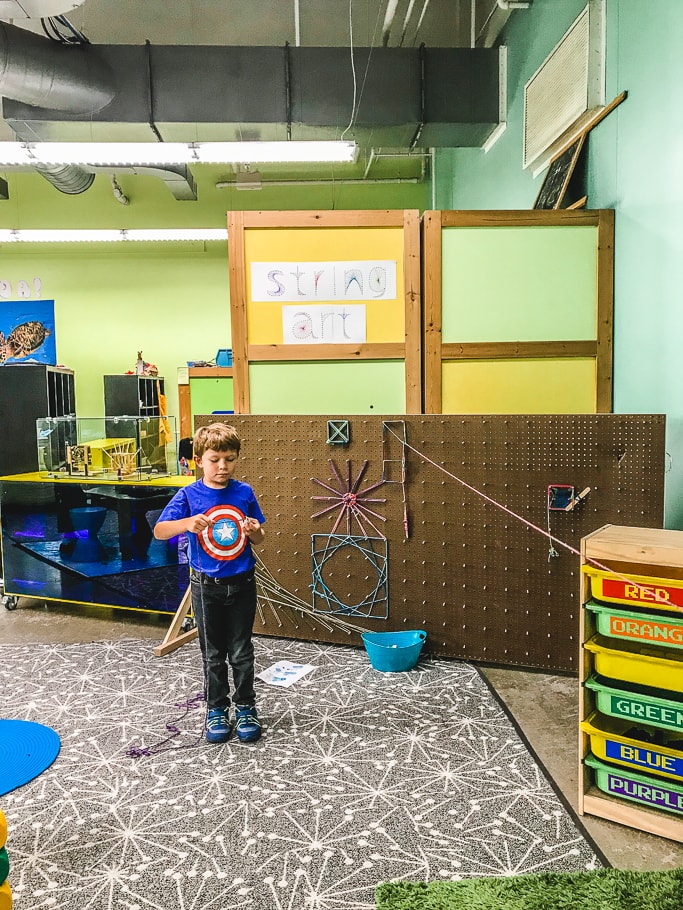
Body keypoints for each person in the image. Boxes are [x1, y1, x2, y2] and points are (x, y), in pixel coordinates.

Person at [154, 423, 265, 745]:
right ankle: (216, 709)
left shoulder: (243, 492)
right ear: (198, 459)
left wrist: (253, 530)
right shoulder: (188, 495)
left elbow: (260, 537)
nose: (222, 467)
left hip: (242, 582)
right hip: (205, 586)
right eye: (215, 459)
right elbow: (160, 531)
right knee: (213, 654)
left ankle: (245, 706)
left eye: (230, 459)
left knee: (242, 652)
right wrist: (187, 523)